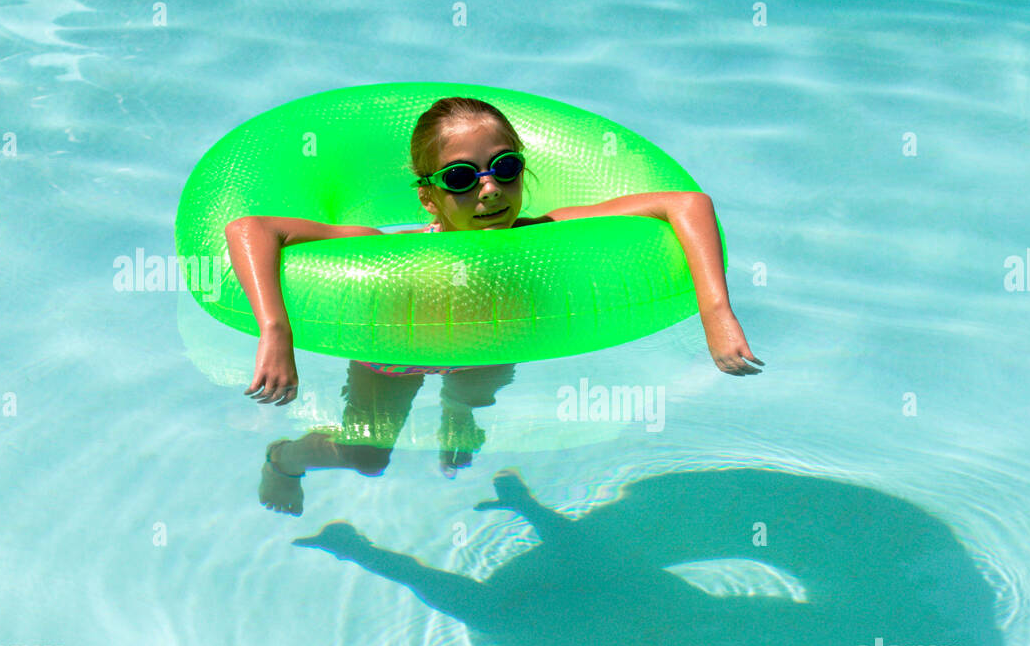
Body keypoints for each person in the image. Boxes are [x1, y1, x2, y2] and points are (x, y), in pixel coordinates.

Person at [224, 96, 762, 516]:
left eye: (504, 167)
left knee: (470, 409)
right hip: (395, 355)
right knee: (368, 458)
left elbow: (686, 203)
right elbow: (251, 229)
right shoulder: (388, 247)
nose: (489, 189)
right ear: (429, 197)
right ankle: (286, 458)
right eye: (461, 176)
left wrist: (716, 314)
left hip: (486, 346)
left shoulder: (543, 233)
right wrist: (276, 332)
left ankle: (458, 422)